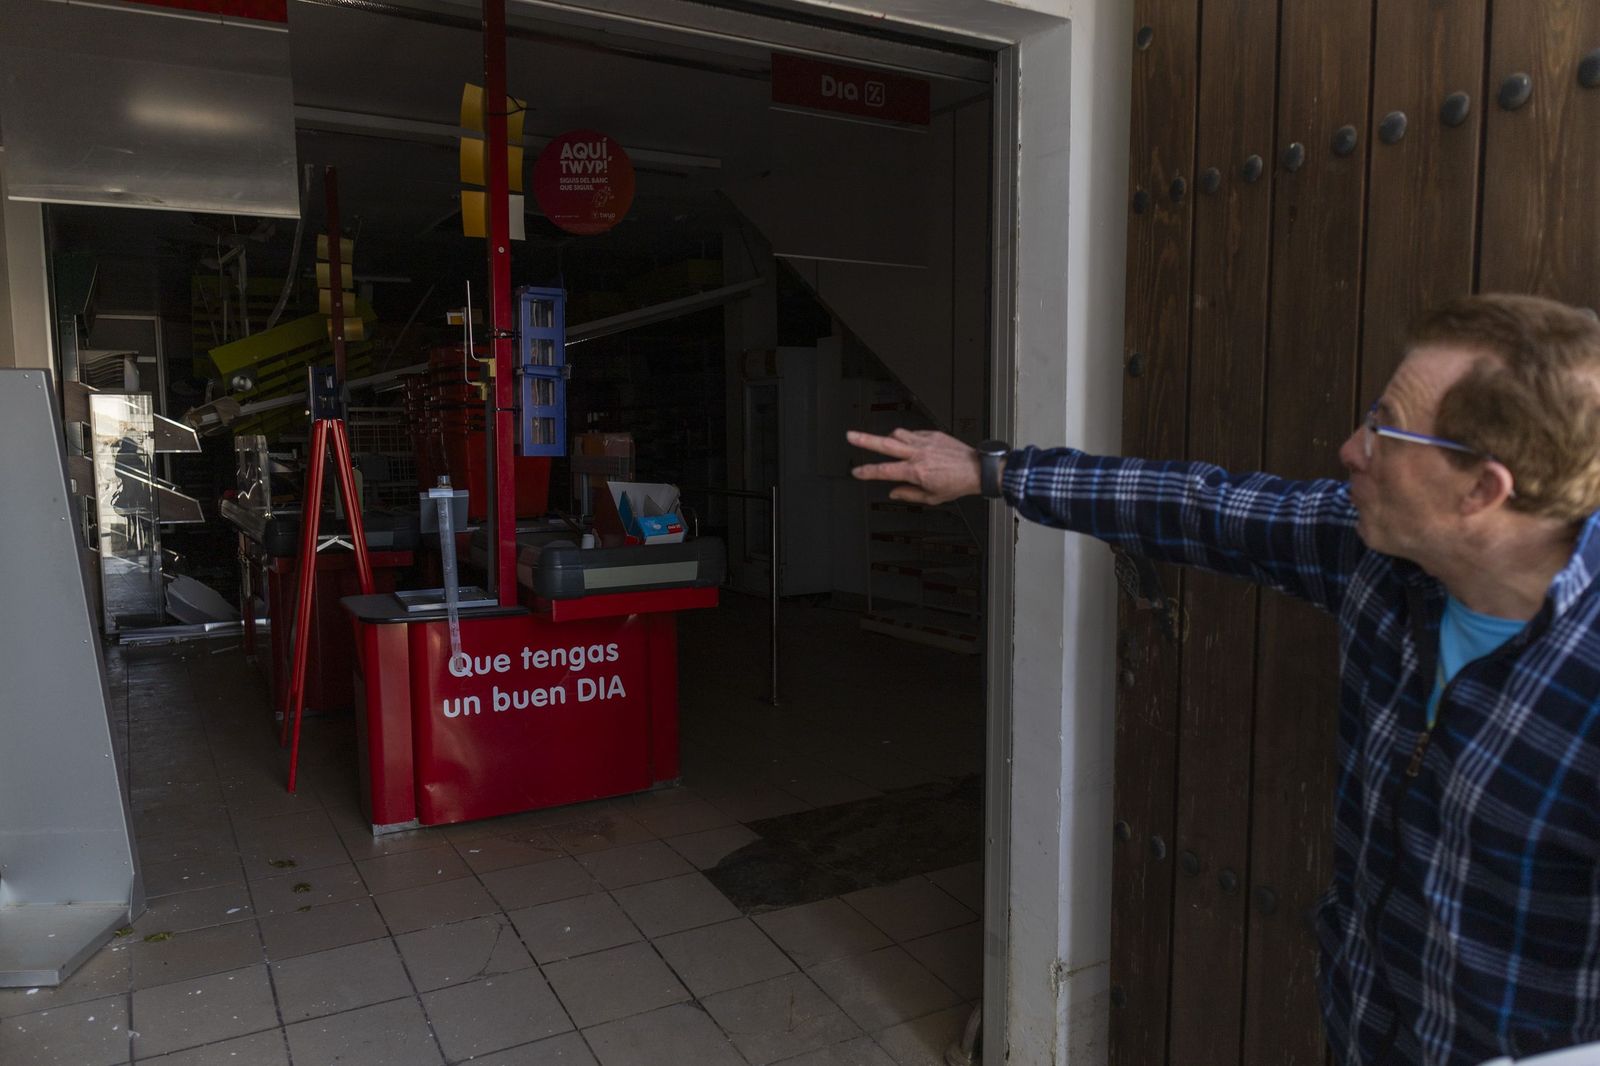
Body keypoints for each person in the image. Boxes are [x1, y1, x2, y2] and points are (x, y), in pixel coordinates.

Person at [848, 293, 1600, 1066]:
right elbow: (1198, 506)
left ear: (1482, 491)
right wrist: (991, 471)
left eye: (1386, 429)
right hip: (1365, 1029)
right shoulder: (1380, 560)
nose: (1351, 448)